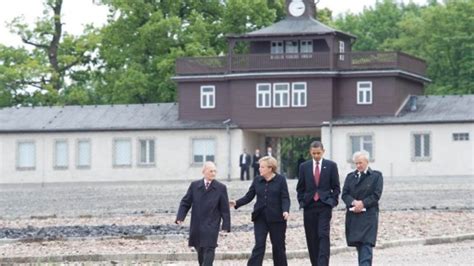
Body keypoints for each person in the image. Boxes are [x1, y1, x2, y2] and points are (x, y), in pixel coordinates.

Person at [230, 156, 290, 266]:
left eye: (262, 167)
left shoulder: (281, 180)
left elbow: (285, 197)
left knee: (278, 246)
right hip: (260, 218)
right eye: (260, 167)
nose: (259, 169)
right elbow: (249, 196)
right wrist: (236, 203)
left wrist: (285, 210)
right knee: (259, 245)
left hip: (277, 219)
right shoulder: (257, 180)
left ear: (270, 168)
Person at [176, 162, 231, 266]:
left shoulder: (221, 188)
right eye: (211, 171)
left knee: (210, 248)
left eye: (215, 171)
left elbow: (224, 209)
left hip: (212, 224)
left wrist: (226, 225)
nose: (213, 173)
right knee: (200, 250)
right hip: (197, 224)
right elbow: (186, 202)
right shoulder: (195, 185)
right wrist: (180, 217)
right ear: (203, 172)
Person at [296, 141, 340, 266]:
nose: (316, 156)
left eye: (318, 153)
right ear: (310, 152)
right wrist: (302, 200)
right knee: (311, 237)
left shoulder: (331, 166)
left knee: (323, 235)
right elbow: (300, 187)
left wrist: (332, 201)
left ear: (323, 151)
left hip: (324, 206)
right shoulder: (304, 167)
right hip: (309, 206)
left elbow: (336, 187)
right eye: (314, 153)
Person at [342, 151, 383, 266]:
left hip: (369, 216)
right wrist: (353, 202)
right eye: (356, 163)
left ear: (367, 162)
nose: (358, 165)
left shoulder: (376, 176)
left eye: (360, 163)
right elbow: (345, 194)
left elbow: (376, 195)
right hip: (354, 216)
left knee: (366, 245)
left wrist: (363, 203)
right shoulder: (350, 177)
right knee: (359, 245)